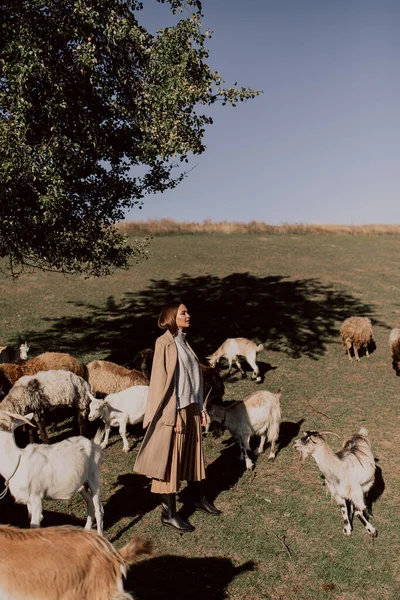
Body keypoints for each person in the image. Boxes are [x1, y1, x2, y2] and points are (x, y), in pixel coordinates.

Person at [134, 302, 221, 533]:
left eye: (188, 311)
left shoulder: (184, 341)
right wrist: (173, 415)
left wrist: (201, 408)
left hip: (191, 407)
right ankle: (169, 514)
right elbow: (164, 382)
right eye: (183, 312)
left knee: (193, 455)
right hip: (174, 410)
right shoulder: (164, 343)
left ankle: (198, 498)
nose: (188, 315)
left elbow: (192, 379)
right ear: (172, 317)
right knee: (170, 460)